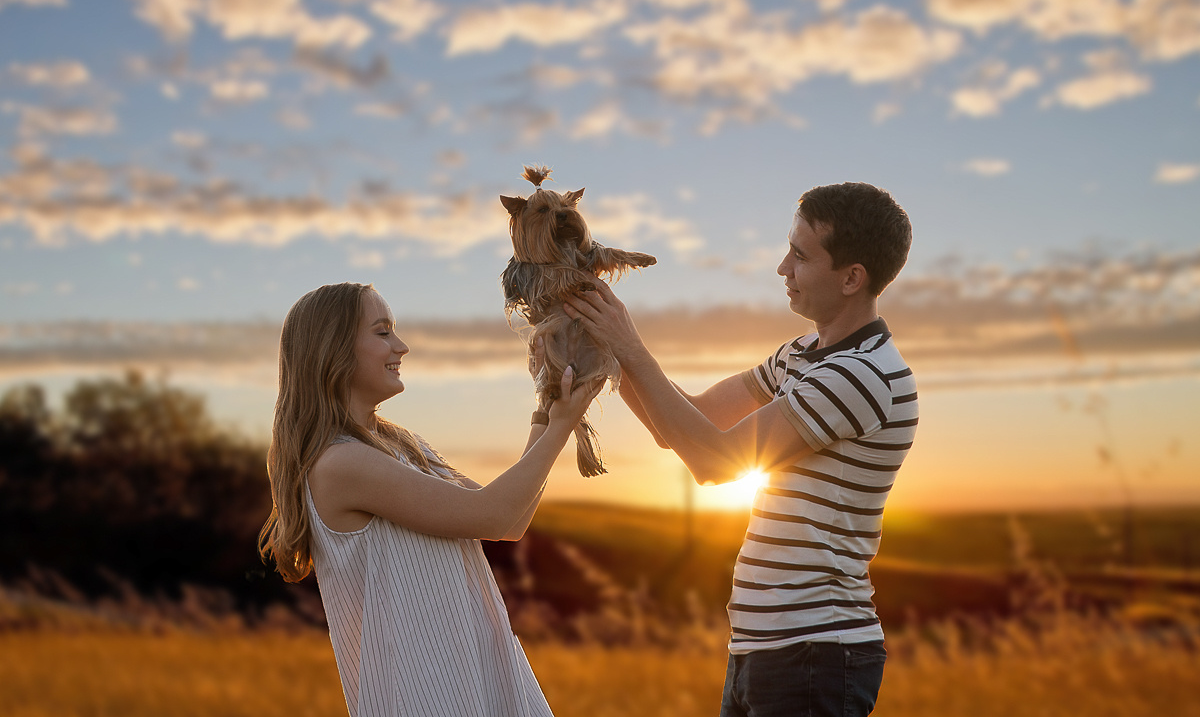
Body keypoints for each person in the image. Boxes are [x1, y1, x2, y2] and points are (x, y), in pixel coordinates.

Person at [564, 181, 917, 717]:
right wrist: (603, 344)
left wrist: (626, 346)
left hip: (814, 653)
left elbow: (716, 461)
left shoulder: (862, 375)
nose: (783, 268)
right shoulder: (802, 355)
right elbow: (689, 422)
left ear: (852, 278)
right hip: (765, 649)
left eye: (800, 256)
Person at [259, 282, 601, 717]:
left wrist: (547, 412)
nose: (400, 346)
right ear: (333, 349)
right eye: (382, 332)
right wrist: (559, 428)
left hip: (476, 682)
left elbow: (510, 520)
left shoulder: (401, 445)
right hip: (425, 697)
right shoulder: (339, 465)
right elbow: (494, 515)